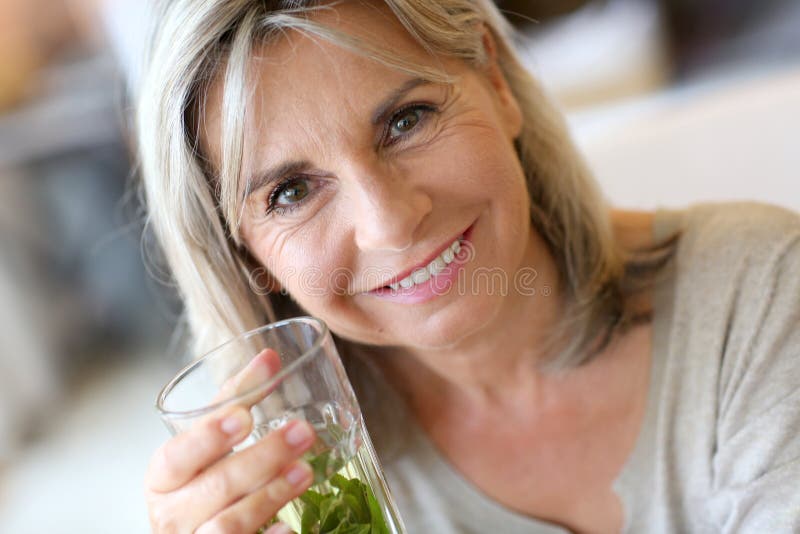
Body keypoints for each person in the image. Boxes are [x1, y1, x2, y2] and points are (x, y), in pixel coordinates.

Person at [136, 1, 800, 533]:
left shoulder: (759, 290)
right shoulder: (312, 488)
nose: (390, 223)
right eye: (292, 192)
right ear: (247, 258)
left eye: (405, 120)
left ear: (496, 81)